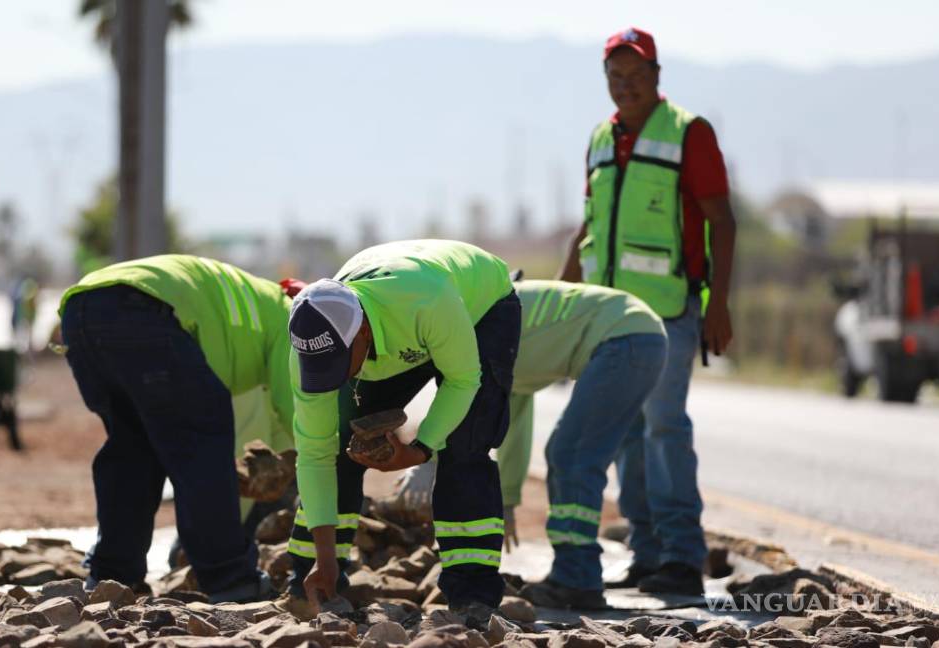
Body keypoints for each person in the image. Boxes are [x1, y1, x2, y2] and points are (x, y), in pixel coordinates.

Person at [558, 27, 736, 595]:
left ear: (657, 77)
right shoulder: (599, 139)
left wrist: (718, 304)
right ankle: (648, 550)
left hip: (667, 312)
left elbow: (722, 222)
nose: (626, 86)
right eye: (616, 76)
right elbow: (591, 223)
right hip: (609, 317)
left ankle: (683, 557)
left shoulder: (689, 133)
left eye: (636, 76)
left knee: (664, 428)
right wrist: (565, 294)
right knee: (626, 431)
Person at [388, 279, 666, 609]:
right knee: (628, 452)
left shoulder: (481, 323)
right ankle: (651, 556)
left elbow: (458, 407)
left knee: (571, 455)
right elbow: (513, 418)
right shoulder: (497, 316)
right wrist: (507, 499)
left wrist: (428, 461)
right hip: (645, 336)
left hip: (622, 339)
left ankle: (576, 579)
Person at [286, 240, 520, 621]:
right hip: (402, 326)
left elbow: (463, 379)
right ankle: (309, 582)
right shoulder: (310, 342)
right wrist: (324, 559)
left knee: (465, 447)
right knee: (342, 449)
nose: (337, 377)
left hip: (481, 308)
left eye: (340, 363)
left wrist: (421, 448)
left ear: (361, 332)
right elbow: (314, 454)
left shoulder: (426, 301)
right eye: (323, 367)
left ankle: (472, 597)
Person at [58, 255, 293, 602]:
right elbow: (298, 411)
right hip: (145, 313)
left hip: (80, 311)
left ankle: (113, 576)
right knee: (202, 446)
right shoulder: (291, 319)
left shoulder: (252, 307)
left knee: (134, 452)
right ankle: (231, 579)